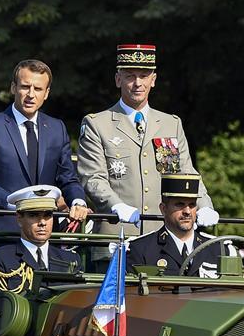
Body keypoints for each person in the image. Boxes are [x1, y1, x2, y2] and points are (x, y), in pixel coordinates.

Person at [76, 44, 217, 237]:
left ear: (153, 80)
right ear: (118, 80)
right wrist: (115, 205)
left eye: (143, 76)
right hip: (117, 234)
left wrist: (204, 205)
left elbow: (186, 173)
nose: (137, 83)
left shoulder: (171, 124)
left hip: (163, 235)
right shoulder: (97, 124)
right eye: (130, 76)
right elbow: (92, 177)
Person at [0, 59, 89, 231]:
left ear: (46, 93)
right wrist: (14, 203)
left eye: (38, 89)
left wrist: (78, 201)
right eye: (25, 86)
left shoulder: (57, 128)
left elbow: (68, 177)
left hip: (44, 232)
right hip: (0, 231)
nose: (31, 94)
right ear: (13, 88)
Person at [0, 185, 80, 304]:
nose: (42, 222)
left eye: (47, 215)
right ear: (19, 218)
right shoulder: (1, 259)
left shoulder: (71, 260)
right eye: (33, 215)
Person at [126, 174, 234, 277]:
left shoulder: (218, 249)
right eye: (180, 204)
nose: (187, 211)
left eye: (192, 205)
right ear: (163, 209)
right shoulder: (141, 249)